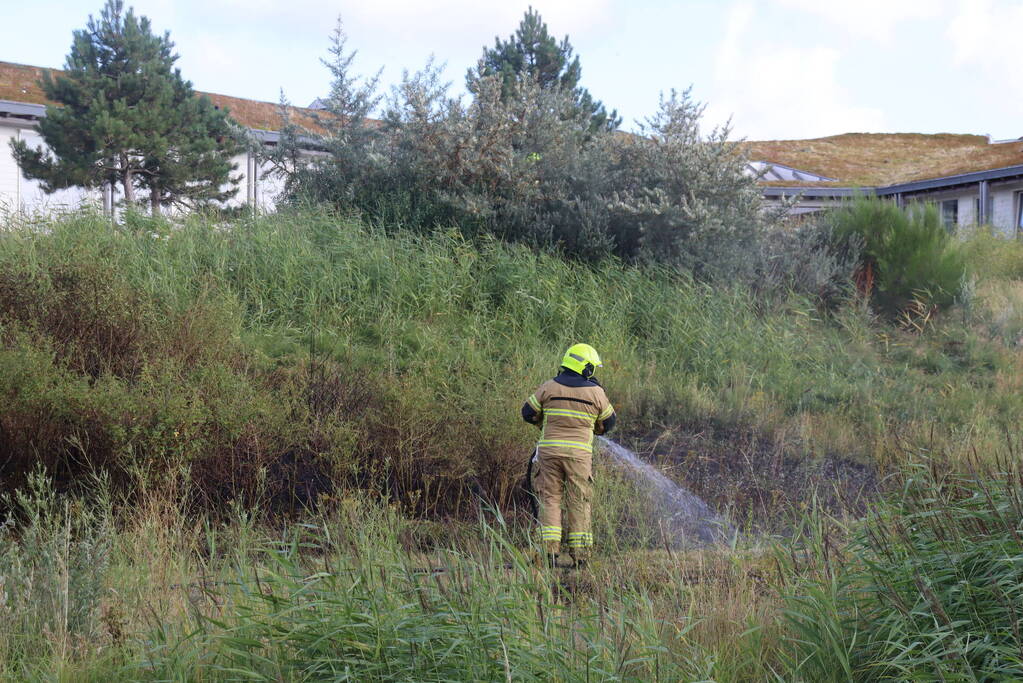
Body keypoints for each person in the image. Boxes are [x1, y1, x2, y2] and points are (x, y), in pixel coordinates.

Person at [522, 343, 616, 569]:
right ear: (585, 368)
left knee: (549, 499)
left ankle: (548, 553)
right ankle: (581, 555)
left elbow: (528, 413)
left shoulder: (549, 387)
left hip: (549, 453)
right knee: (579, 501)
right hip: (578, 456)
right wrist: (593, 426)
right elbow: (609, 422)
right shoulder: (596, 393)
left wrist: (543, 421)